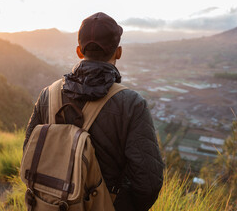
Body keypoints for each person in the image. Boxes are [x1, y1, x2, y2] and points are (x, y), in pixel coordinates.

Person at [23, 12, 164, 211]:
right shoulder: (131, 104)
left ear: (79, 51)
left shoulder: (48, 95)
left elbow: (29, 153)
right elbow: (148, 182)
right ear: (118, 52)